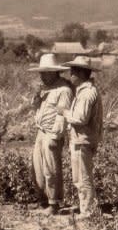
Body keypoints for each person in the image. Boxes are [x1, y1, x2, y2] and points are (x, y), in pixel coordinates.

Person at [26, 53, 72, 214]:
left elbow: (62, 115)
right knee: (37, 167)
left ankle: (54, 202)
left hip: (51, 132)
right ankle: (43, 199)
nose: (42, 76)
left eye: (45, 72)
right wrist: (36, 96)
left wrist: (56, 135)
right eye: (41, 73)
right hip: (41, 131)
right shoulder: (44, 88)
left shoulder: (64, 90)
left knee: (51, 168)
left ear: (54, 72)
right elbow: (35, 107)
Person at [61, 56, 104, 218]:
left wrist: (64, 112)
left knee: (83, 177)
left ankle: (88, 211)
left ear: (80, 73)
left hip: (83, 140)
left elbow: (80, 118)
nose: (70, 74)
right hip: (84, 139)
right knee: (82, 176)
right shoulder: (86, 91)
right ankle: (87, 208)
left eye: (73, 71)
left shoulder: (86, 94)